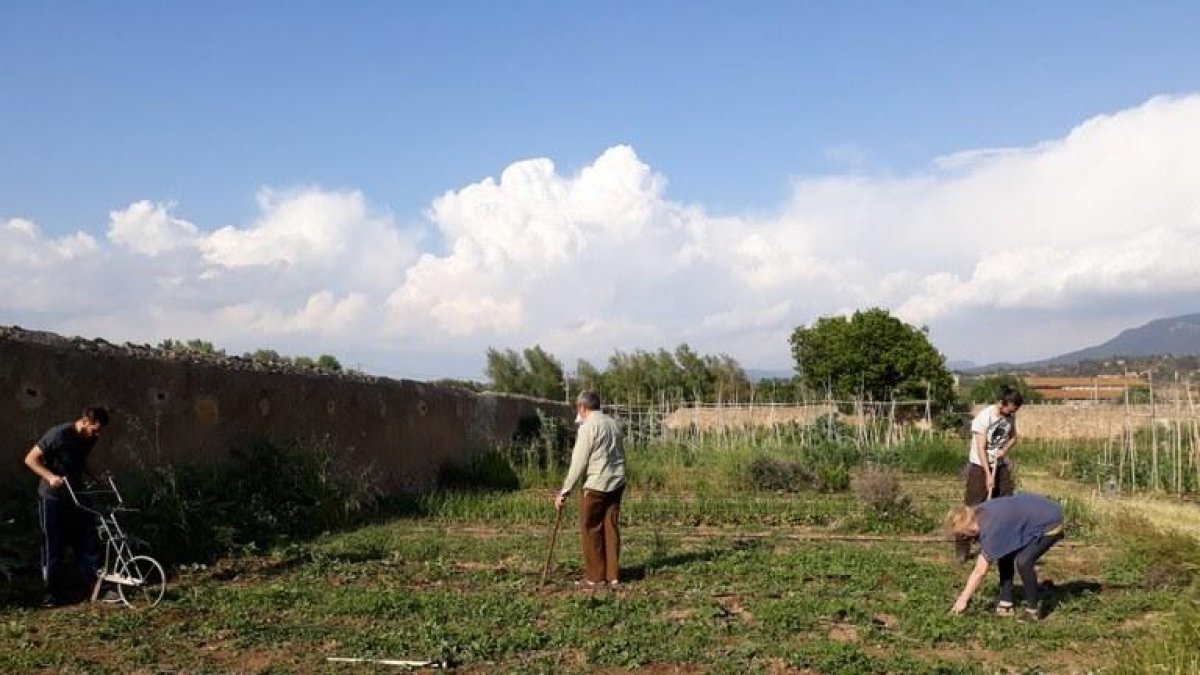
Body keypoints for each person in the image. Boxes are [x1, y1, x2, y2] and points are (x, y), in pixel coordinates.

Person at [23, 405, 110, 607]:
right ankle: (50, 593)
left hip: (76, 495)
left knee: (88, 539)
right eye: (95, 429)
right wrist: (51, 477)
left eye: (100, 431)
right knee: (53, 545)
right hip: (53, 497)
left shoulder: (90, 438)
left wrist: (96, 478)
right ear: (85, 421)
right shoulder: (59, 434)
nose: (97, 435)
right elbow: (30, 459)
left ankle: (97, 587)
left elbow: (80, 461)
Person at [947, 492, 1065, 619]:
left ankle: (1032, 610)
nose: (963, 539)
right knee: (1004, 551)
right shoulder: (979, 513)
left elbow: (980, 571)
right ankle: (1006, 600)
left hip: (1050, 520)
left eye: (962, 535)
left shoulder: (990, 529)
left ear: (968, 527)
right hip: (1035, 510)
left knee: (1023, 561)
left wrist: (963, 599)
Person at [553, 391, 626, 588]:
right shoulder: (613, 423)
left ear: (583, 408)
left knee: (590, 527)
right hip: (617, 482)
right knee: (610, 527)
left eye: (579, 409)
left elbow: (578, 462)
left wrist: (564, 492)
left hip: (596, 485)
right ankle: (613, 576)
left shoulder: (588, 427)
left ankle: (595, 577)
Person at [955, 387, 1023, 561]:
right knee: (972, 506)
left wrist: (1004, 450)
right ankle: (963, 548)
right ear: (1001, 403)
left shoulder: (1010, 417)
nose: (1012, 413)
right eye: (1010, 409)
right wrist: (988, 475)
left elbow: (1014, 437)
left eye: (1014, 410)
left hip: (999, 465)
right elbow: (981, 448)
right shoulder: (983, 418)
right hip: (979, 466)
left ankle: (1002, 545)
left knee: (1006, 503)